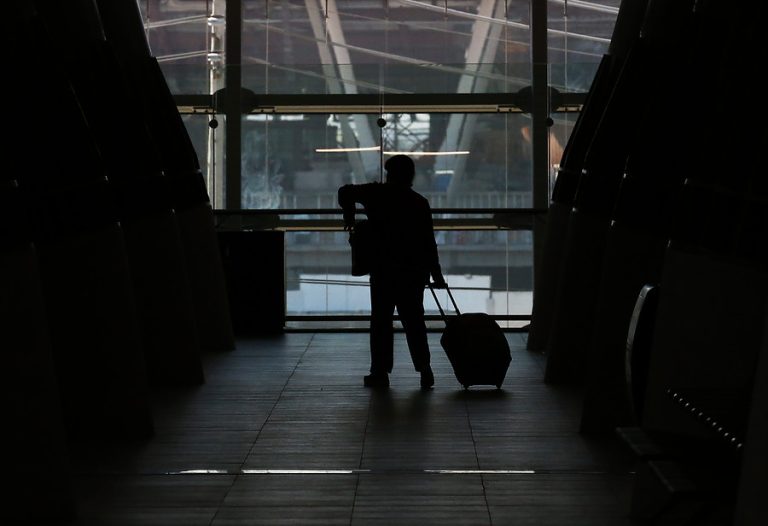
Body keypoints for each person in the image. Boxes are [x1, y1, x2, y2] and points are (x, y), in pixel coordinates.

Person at [338, 154, 447, 390]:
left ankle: (380, 372)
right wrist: (436, 275)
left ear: (388, 173)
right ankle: (424, 368)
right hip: (412, 271)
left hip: (383, 269)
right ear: (410, 175)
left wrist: (349, 215)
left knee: (381, 322)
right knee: (414, 321)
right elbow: (428, 243)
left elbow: (345, 191)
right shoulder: (418, 202)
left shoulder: (376, 193)